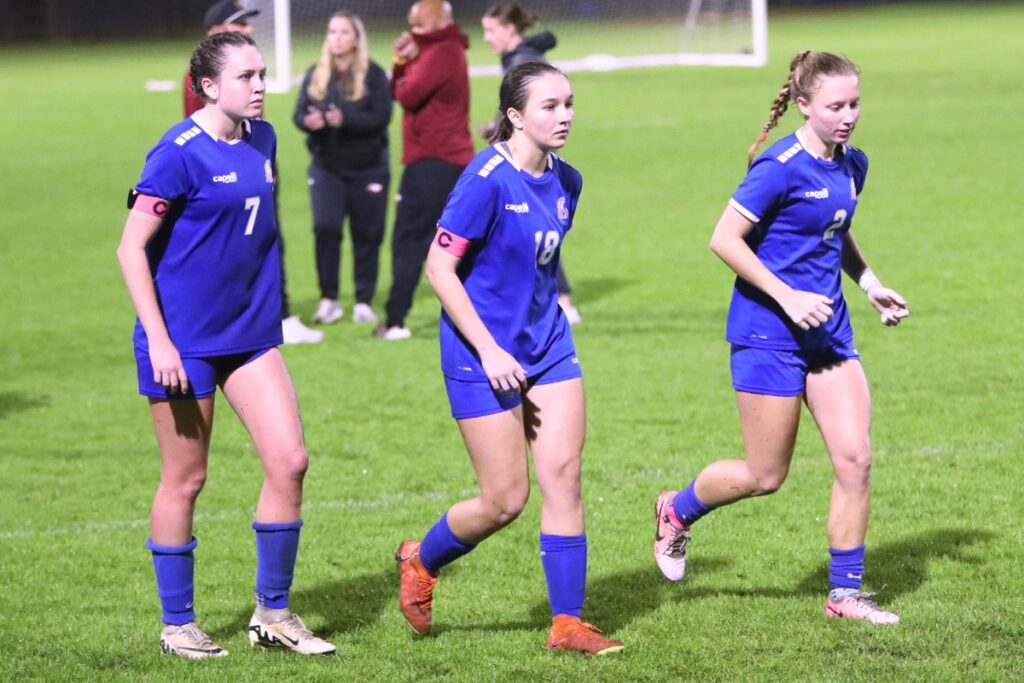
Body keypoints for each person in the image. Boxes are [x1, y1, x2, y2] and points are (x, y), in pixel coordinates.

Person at [652, 50, 909, 626]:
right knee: (765, 475)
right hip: (768, 334)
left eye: (855, 104)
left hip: (829, 333)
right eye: (835, 106)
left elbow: (833, 229)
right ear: (803, 105)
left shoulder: (852, 163)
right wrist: (788, 295)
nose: (848, 116)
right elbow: (725, 239)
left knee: (856, 458)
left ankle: (844, 596)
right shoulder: (779, 165)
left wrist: (869, 283)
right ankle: (677, 510)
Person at [394, 62, 624, 656]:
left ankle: (568, 624)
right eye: (549, 106)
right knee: (504, 501)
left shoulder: (569, 180)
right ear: (515, 117)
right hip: (480, 354)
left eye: (569, 103)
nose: (565, 115)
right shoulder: (485, 180)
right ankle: (422, 558)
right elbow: (439, 270)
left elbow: (535, 273)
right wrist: (491, 348)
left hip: (548, 349)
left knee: (565, 477)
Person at [118, 31, 335, 659]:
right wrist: (160, 341)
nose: (261, 85)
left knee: (290, 459)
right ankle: (177, 624)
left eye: (262, 74)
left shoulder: (264, 139)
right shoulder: (176, 153)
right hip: (182, 341)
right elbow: (131, 249)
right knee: (186, 479)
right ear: (209, 87)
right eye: (246, 77)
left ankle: (273, 613)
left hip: (250, 334)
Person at [184, 0, 324, 345]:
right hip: (228, 183)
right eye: (239, 24)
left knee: (267, 242)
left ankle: (277, 313)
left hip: (255, 174)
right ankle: (277, 315)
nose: (247, 30)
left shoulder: (261, 125)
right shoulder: (204, 85)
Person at [375, 0, 474, 341]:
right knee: (457, 243)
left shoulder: (442, 52)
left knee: (411, 239)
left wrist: (407, 66)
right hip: (446, 160)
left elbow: (408, 94)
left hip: (433, 161)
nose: (410, 26)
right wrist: (402, 61)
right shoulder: (436, 50)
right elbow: (398, 89)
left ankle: (395, 320)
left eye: (415, 21)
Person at [480, 2, 581, 325]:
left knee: (534, 225)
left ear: (510, 30)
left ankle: (560, 299)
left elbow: (530, 104)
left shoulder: (521, 61)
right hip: (526, 156)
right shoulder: (519, 56)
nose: (486, 37)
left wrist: (502, 129)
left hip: (526, 161)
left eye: (490, 30)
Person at [293, 11, 392, 326]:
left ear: (356, 39)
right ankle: (329, 299)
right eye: (332, 31)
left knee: (367, 234)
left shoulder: (374, 75)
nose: (335, 37)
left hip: (368, 167)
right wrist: (312, 123)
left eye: (343, 32)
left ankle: (363, 300)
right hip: (326, 167)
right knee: (326, 228)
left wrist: (344, 119)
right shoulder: (316, 74)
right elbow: (298, 114)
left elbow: (382, 117)